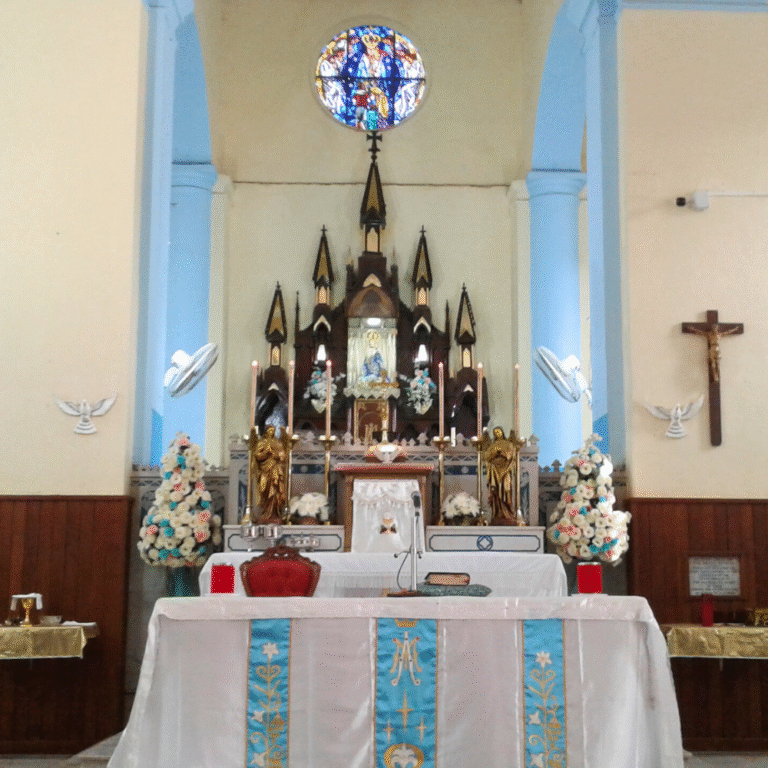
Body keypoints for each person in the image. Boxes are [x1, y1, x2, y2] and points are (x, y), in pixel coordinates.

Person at [483, 427, 524, 526]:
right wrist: (495, 454)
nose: (497, 434)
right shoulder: (492, 445)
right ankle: (497, 513)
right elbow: (487, 456)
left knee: (506, 490)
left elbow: (511, 455)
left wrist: (502, 453)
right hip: (495, 471)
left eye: (499, 431)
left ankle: (508, 513)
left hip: (505, 471)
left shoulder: (508, 444)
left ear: (502, 432)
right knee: (496, 493)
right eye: (495, 432)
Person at [254, 425, 288, 523]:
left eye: (273, 430)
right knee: (264, 490)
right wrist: (266, 453)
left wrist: (276, 455)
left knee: (275, 490)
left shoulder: (278, 443)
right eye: (269, 430)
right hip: (265, 470)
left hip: (275, 470)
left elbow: (283, 456)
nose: (271, 432)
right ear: (266, 432)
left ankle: (274, 513)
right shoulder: (262, 443)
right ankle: (266, 512)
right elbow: (257, 456)